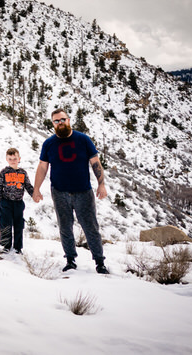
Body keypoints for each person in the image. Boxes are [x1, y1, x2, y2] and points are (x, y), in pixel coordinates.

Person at [32, 108, 110, 274]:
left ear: (68, 120)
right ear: (53, 124)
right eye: (56, 121)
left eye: (63, 120)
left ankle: (99, 262)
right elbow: (42, 167)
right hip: (59, 192)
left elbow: (95, 162)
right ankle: (70, 260)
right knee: (65, 227)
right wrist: (36, 188)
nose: (60, 123)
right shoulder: (49, 143)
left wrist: (101, 184)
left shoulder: (83, 139)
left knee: (90, 227)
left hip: (83, 192)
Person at [0, 147, 33, 254]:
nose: (13, 160)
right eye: (10, 158)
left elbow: (28, 186)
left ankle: (18, 247)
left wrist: (34, 194)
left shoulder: (23, 173)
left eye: (14, 158)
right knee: (5, 224)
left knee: (19, 224)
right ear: (7, 159)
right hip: (6, 202)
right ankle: (6, 246)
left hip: (18, 203)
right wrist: (0, 198)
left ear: (19, 159)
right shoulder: (4, 172)